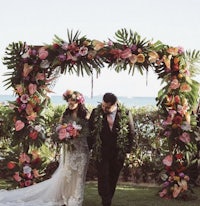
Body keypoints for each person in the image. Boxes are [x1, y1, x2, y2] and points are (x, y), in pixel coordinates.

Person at [0, 90, 90, 206]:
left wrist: (76, 133)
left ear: (79, 102)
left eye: (73, 101)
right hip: (69, 149)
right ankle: (66, 196)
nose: (70, 104)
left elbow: (88, 132)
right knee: (68, 173)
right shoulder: (65, 114)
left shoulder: (86, 115)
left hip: (81, 150)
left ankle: (76, 198)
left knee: (79, 174)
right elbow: (59, 128)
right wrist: (64, 135)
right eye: (69, 101)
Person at [88, 92, 135, 206]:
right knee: (103, 177)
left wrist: (128, 150)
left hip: (118, 153)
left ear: (115, 105)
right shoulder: (96, 112)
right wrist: (90, 148)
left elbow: (131, 132)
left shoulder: (125, 113)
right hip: (101, 152)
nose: (104, 108)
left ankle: (107, 199)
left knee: (113, 178)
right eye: (103, 105)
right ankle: (106, 201)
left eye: (107, 107)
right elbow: (90, 131)